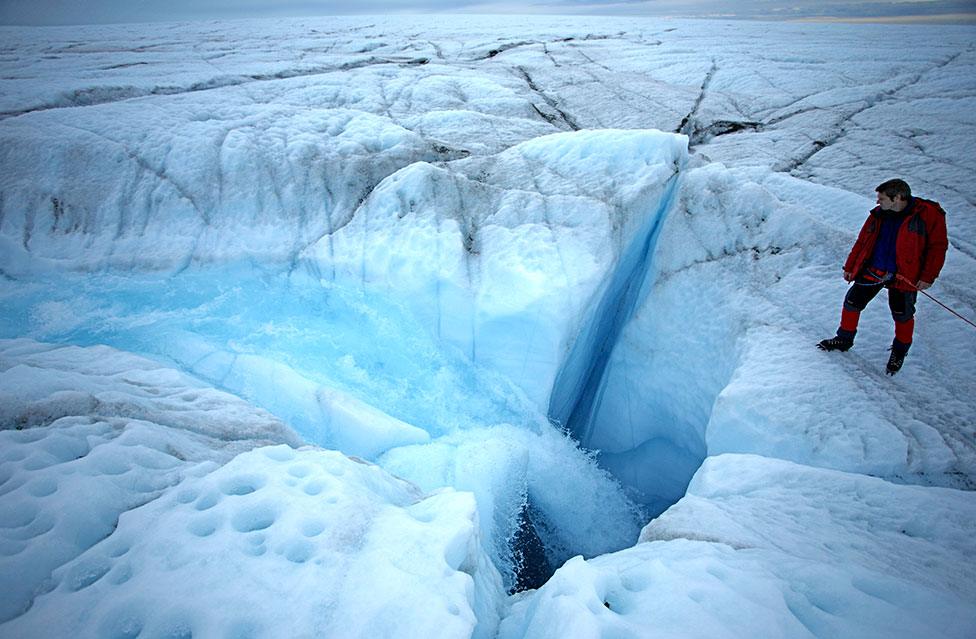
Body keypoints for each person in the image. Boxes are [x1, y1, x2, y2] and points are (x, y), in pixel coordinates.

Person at [818, 179, 948, 375]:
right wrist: (851, 265)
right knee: (852, 302)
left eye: (881, 198)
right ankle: (844, 339)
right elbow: (863, 240)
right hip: (874, 270)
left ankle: (899, 352)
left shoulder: (928, 215)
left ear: (897, 198)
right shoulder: (879, 214)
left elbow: (937, 248)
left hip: (905, 275)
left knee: (902, 314)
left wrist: (928, 276)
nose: (877, 202)